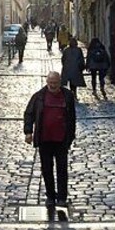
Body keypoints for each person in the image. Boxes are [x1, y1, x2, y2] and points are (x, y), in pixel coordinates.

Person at [24, 71, 77, 207]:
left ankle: (62, 197)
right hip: (44, 139)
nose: (53, 85)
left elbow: (72, 118)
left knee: (62, 169)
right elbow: (29, 113)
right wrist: (28, 132)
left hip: (61, 139)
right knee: (47, 169)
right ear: (47, 82)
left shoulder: (68, 96)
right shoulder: (39, 96)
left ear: (60, 82)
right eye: (50, 83)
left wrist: (71, 136)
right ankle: (50, 196)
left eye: (55, 83)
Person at [61, 37, 87, 101]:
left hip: (67, 69)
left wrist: (65, 65)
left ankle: (71, 94)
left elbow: (63, 59)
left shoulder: (66, 50)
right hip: (76, 69)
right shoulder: (78, 50)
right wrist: (82, 67)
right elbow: (81, 59)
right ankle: (74, 94)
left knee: (70, 81)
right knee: (74, 83)